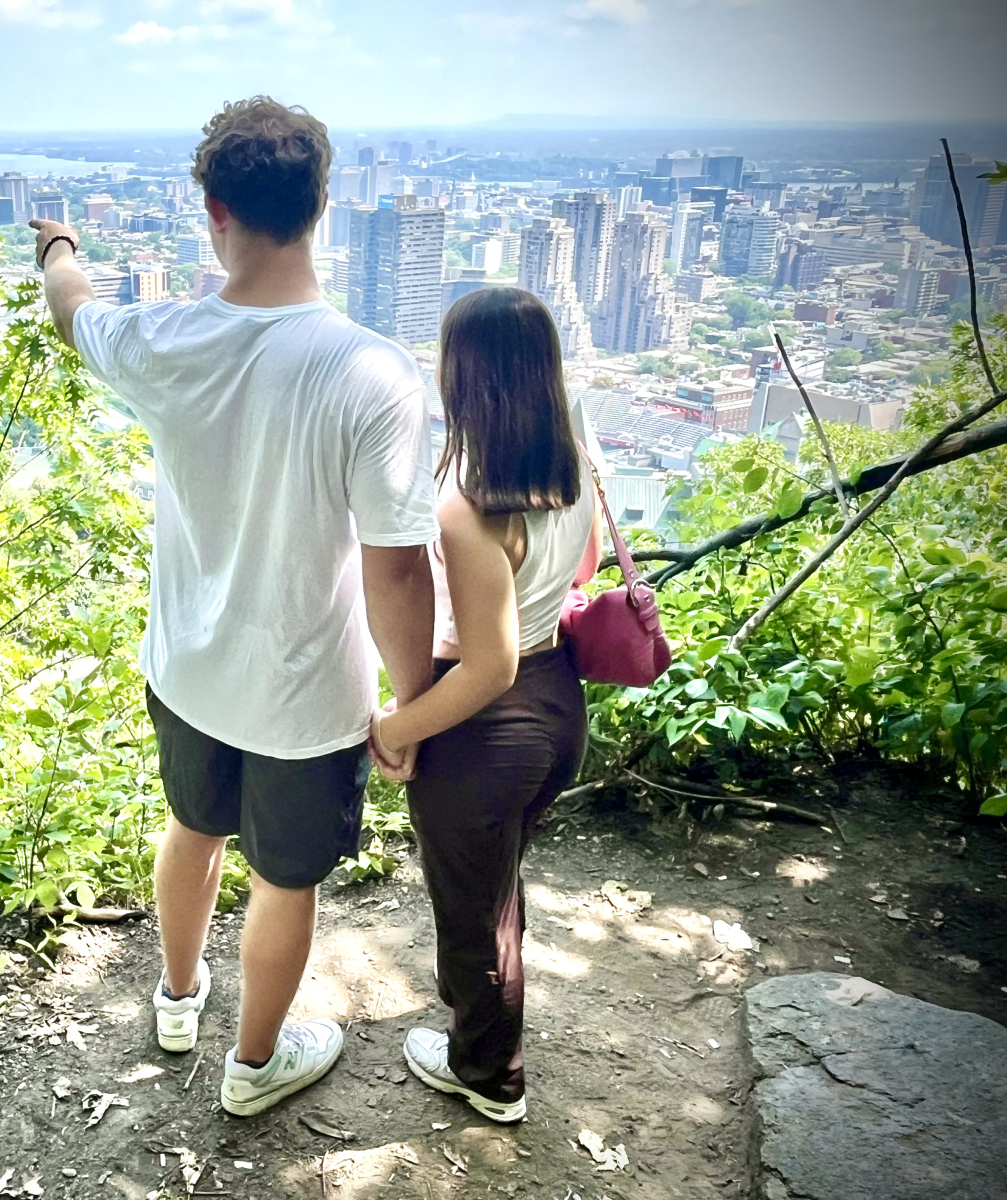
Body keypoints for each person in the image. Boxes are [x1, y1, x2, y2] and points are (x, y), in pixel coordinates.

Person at [30, 97, 438, 1117]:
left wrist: (61, 244)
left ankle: (177, 1001)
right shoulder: (371, 372)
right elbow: (395, 569)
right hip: (304, 698)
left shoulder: (164, 340)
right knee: (282, 883)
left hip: (187, 665)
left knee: (191, 827)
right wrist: (414, 707)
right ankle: (253, 1067)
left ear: (212, 209)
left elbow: (69, 304)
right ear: (323, 206)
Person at [369, 287, 601, 1124]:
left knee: (469, 909)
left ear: (461, 375)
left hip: (486, 729)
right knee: (495, 885)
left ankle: (489, 1073)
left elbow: (487, 665)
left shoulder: (470, 505)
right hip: (560, 707)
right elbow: (588, 566)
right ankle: (488, 1020)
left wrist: (393, 728)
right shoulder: (570, 455)